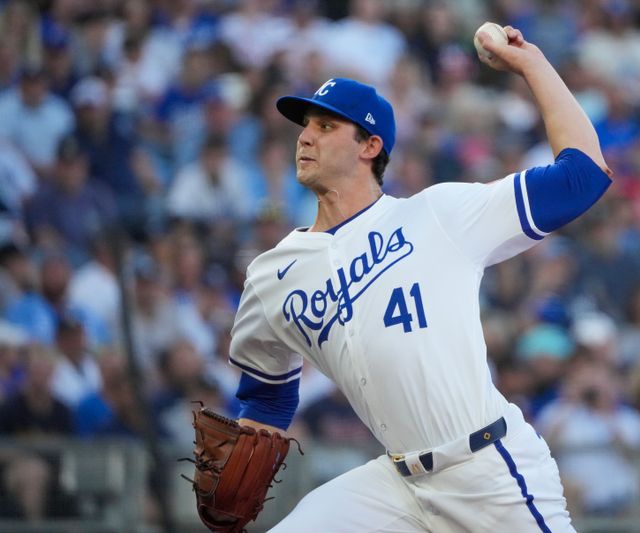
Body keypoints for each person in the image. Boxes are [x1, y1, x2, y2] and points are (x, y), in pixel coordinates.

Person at [228, 26, 612, 532]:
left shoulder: (436, 214)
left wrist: (533, 65)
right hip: (396, 486)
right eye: (305, 125)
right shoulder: (271, 276)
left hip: (487, 470)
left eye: (325, 126)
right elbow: (268, 391)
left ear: (370, 145)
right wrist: (240, 470)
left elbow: (582, 177)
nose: (304, 135)